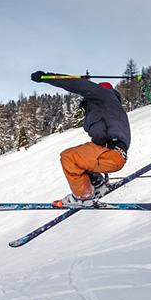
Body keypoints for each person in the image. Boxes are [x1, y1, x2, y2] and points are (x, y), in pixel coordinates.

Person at [31, 71, 130, 207]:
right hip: (114, 156)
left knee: (69, 157)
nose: (84, 107)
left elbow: (77, 84)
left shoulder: (104, 95)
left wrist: (47, 77)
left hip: (110, 153)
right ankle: (97, 183)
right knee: (81, 156)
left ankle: (83, 195)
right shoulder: (111, 109)